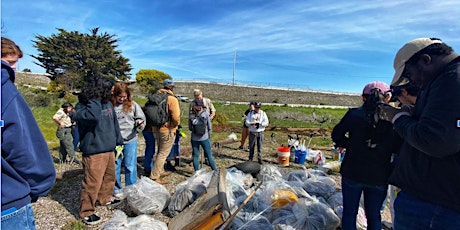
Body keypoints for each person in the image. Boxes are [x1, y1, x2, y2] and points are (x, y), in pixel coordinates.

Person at [379, 38, 460, 229]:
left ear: (425, 60)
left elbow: (434, 140)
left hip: (433, 205)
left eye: (408, 73)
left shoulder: (452, 81)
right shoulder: (443, 79)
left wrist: (397, 117)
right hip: (435, 201)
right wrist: (412, 115)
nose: (411, 80)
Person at [1, 37, 56, 229]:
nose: (14, 68)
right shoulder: (5, 91)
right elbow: (20, 146)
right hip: (7, 202)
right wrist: (37, 187)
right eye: (10, 63)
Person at [331, 81, 401, 230]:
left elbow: (336, 134)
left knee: (350, 213)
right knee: (374, 215)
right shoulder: (394, 119)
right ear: (387, 98)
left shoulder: (353, 114)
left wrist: (350, 144)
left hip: (352, 171)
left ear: (363, 98)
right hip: (380, 175)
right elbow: (398, 146)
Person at [75, 77, 124, 225]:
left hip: (109, 148)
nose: (111, 92)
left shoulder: (108, 103)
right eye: (109, 89)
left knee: (110, 177)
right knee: (92, 182)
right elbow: (93, 117)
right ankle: (86, 211)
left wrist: (119, 141)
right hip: (94, 151)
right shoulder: (82, 106)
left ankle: (104, 198)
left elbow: (114, 123)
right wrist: (94, 98)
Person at [111, 83, 145, 195]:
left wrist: (139, 123)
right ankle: (117, 190)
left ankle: (131, 189)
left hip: (130, 139)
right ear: (115, 95)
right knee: (115, 166)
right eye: (119, 97)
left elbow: (140, 118)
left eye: (124, 97)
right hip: (116, 142)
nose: (122, 99)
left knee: (130, 166)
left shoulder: (133, 105)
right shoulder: (110, 106)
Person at [149, 79, 181, 185]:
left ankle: (160, 170)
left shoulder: (156, 97)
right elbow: (176, 117)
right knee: (163, 153)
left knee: (159, 151)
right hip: (167, 129)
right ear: (172, 88)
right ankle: (154, 176)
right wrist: (175, 125)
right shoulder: (172, 99)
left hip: (155, 128)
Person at [189, 99, 217, 171]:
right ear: (201, 106)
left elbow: (190, 127)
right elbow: (209, 127)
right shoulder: (205, 114)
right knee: (209, 155)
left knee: (195, 155)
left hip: (194, 138)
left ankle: (197, 172)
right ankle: (214, 171)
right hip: (204, 137)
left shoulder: (191, 115)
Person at [141, 106, 156, 176]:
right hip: (150, 131)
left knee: (149, 149)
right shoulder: (152, 110)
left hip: (145, 130)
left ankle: (148, 167)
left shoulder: (145, 109)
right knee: (150, 150)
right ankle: (149, 168)